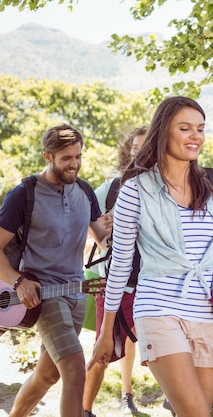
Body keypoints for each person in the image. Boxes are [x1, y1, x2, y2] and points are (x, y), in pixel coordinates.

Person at [88, 96, 213, 417]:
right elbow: (119, 263)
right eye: (185, 128)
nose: (196, 136)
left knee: (199, 412)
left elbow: (209, 255)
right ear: (164, 132)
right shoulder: (135, 190)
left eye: (201, 129)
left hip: (205, 313)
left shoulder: (206, 186)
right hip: (158, 310)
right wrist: (107, 333)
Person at [0, 124, 112, 417]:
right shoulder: (24, 194)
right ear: (48, 156)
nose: (74, 164)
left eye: (78, 157)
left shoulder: (85, 190)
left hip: (77, 292)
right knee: (75, 370)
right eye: (66, 158)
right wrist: (18, 280)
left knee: (48, 376)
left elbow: (103, 240)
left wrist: (116, 230)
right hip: (43, 294)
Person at [83, 127, 147, 417]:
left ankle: (129, 393)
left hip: (149, 280)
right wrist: (105, 231)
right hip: (112, 279)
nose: (141, 155)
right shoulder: (110, 189)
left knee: (149, 342)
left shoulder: (166, 188)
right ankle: (83, 410)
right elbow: (92, 224)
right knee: (103, 347)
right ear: (128, 152)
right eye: (136, 149)